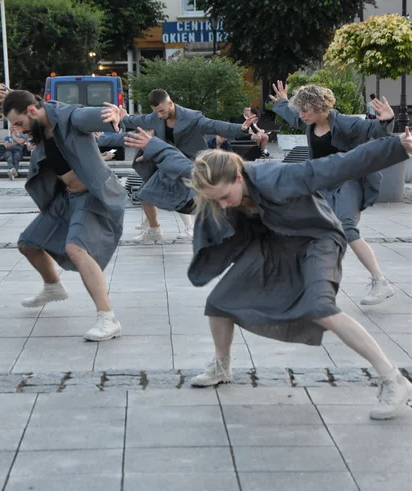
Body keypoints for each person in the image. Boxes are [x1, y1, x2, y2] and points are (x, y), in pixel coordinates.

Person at [129, 128, 412, 419]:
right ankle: (222, 366)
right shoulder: (216, 174)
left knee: (321, 307)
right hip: (276, 243)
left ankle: (394, 379)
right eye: (217, 202)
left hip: (317, 240)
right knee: (219, 302)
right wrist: (153, 144)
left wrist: (397, 145)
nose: (224, 205)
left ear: (238, 176)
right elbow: (177, 162)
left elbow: (339, 164)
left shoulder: (277, 177)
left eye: (225, 197)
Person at [1, 89, 126, 342]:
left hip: (91, 196)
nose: (17, 129)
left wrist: (116, 113)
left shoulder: (71, 118)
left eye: (19, 123)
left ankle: (108, 318)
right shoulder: (40, 127)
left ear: (33, 112)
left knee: (76, 248)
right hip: (66, 198)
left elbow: (99, 116)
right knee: (28, 243)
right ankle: (53, 286)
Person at [270, 82, 396, 306]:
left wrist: (385, 120)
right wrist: (281, 102)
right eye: (300, 110)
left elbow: (370, 130)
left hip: (348, 182)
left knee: (347, 227)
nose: (301, 115)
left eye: (305, 110)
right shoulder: (309, 121)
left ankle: (380, 282)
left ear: (318, 107)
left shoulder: (345, 123)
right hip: (322, 184)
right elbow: (293, 117)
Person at [119, 89, 258, 242]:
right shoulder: (155, 117)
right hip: (168, 162)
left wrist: (240, 128)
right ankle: (154, 229)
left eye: (162, 111)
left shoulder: (192, 117)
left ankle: (211, 227)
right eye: (156, 112)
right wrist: (123, 117)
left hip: (190, 163)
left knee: (191, 197)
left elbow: (214, 125)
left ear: (170, 103)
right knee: (145, 194)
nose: (159, 115)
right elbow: (137, 120)